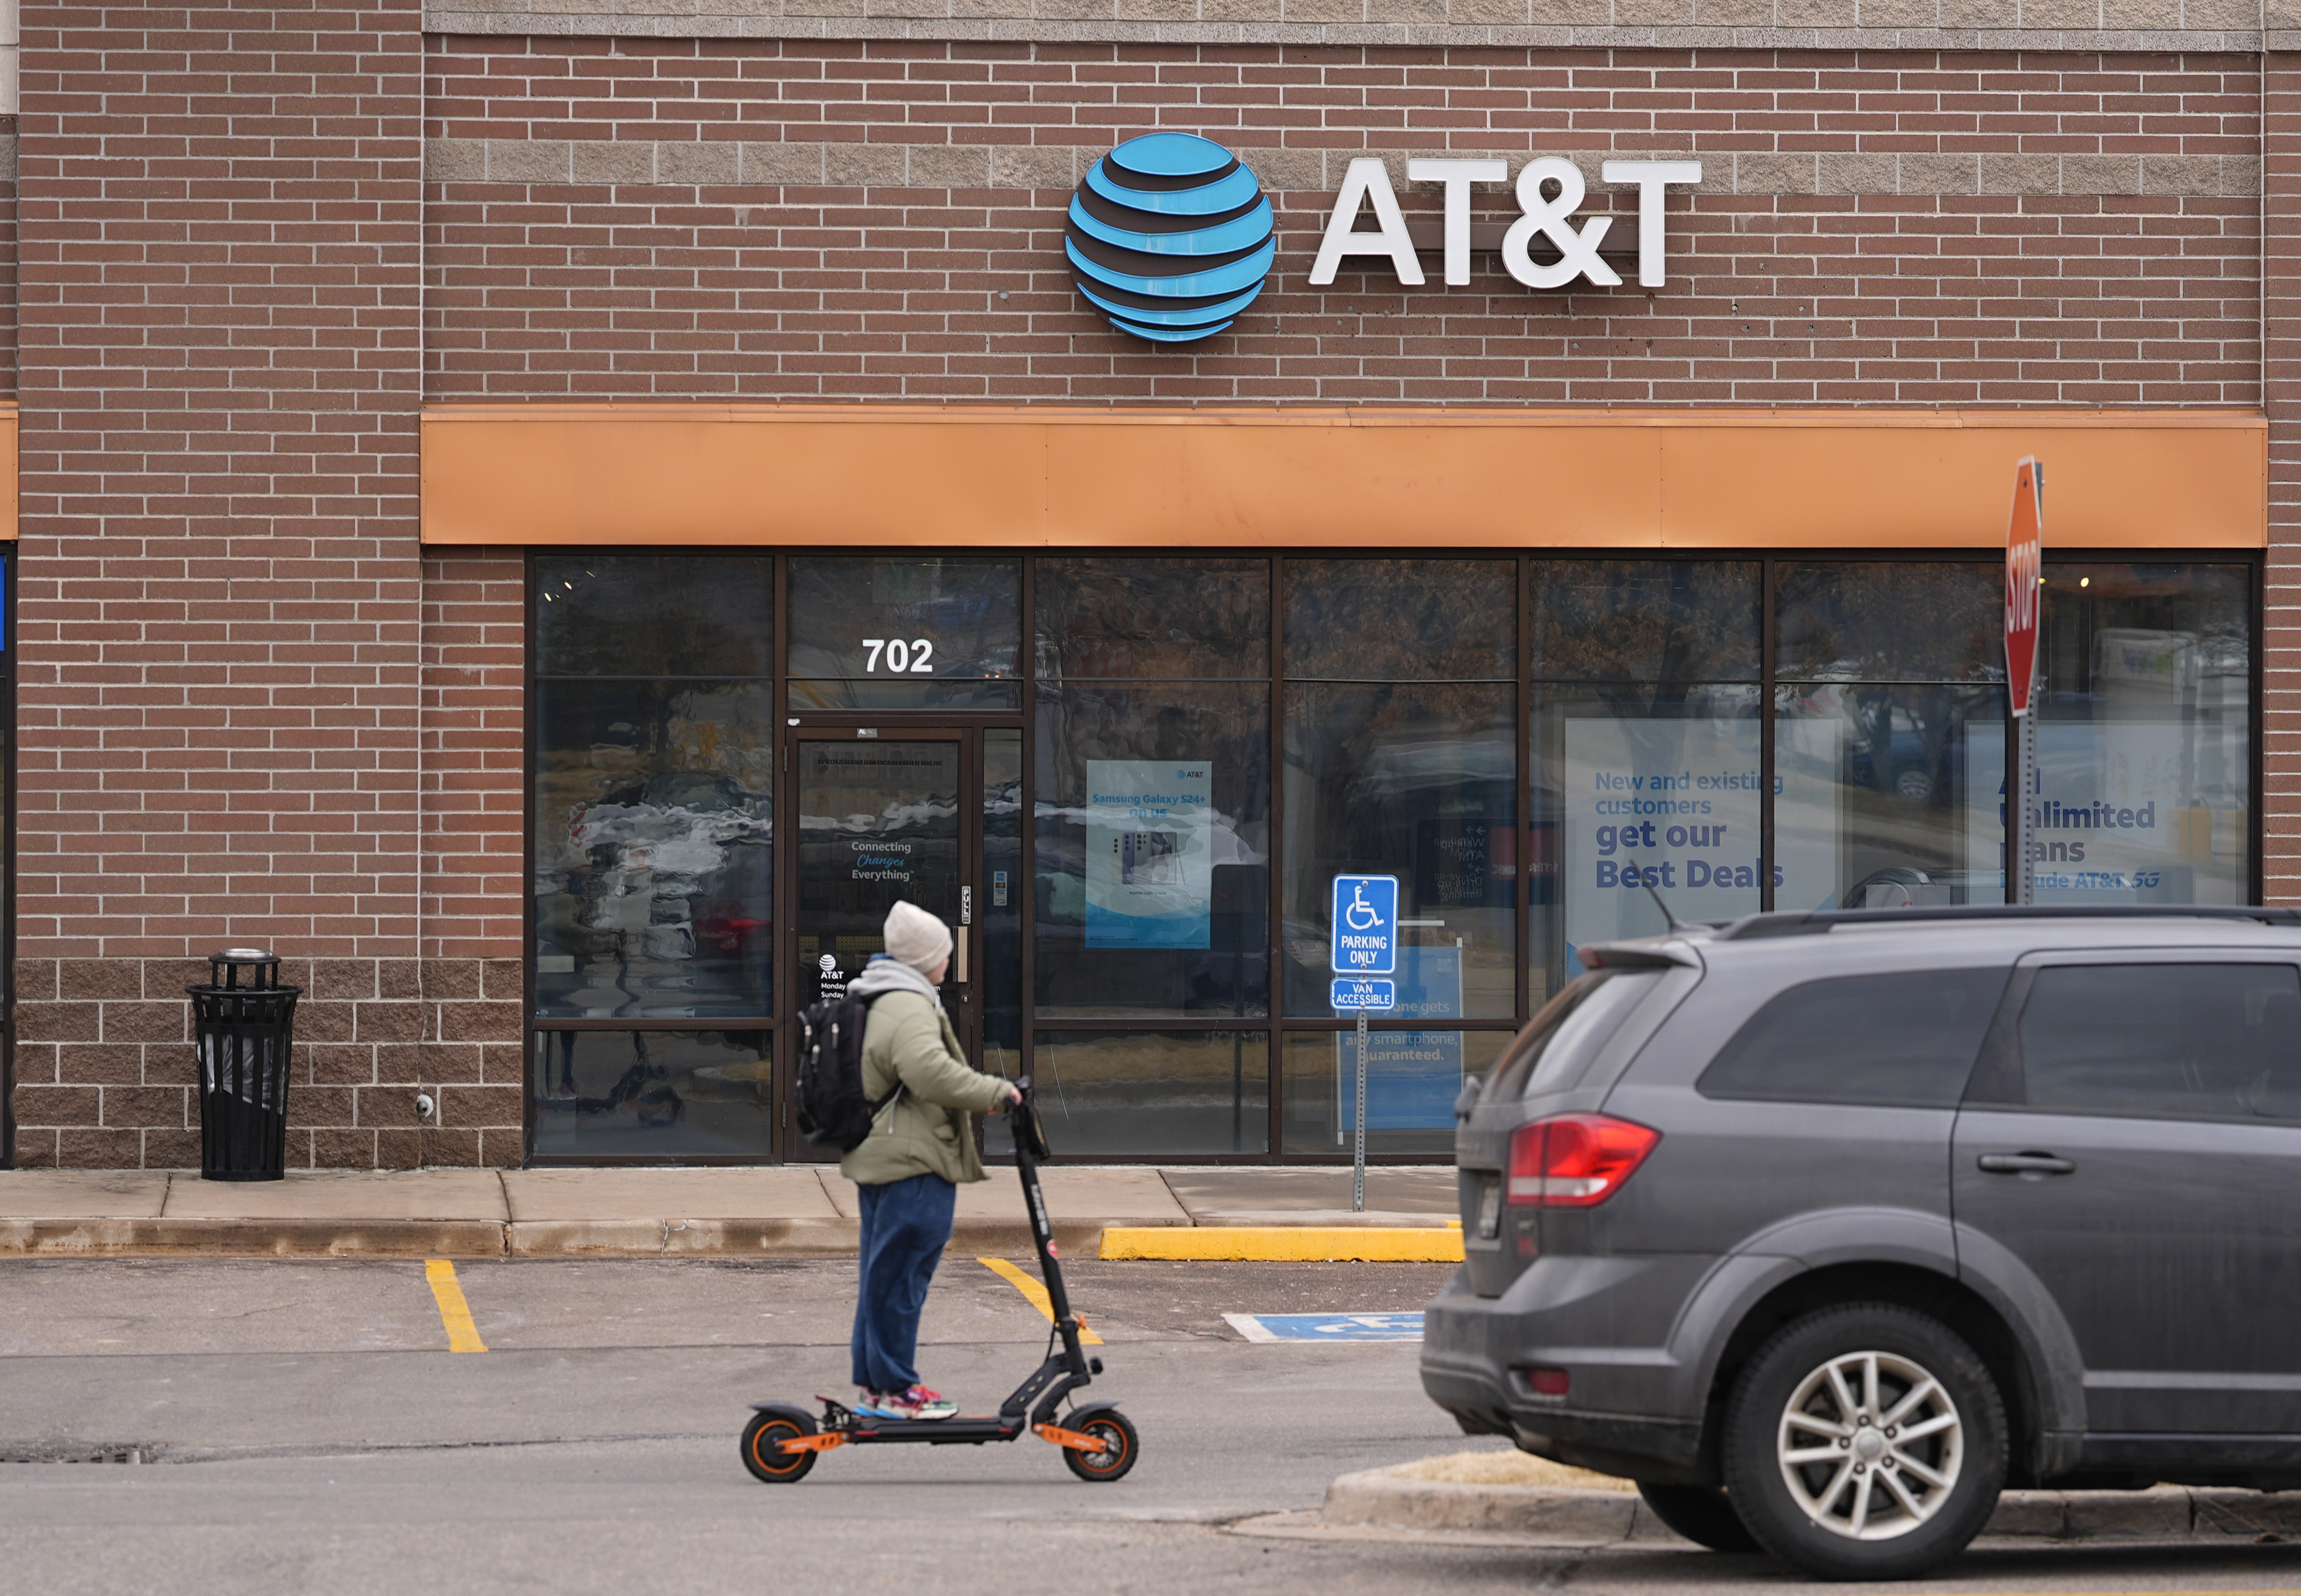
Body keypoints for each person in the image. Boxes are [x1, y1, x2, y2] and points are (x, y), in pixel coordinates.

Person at [842, 900, 1021, 1421]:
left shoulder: (882, 992)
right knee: (901, 1277)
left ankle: (877, 1388)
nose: (950, 961)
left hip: (884, 1154)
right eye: (945, 952)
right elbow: (930, 1072)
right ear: (926, 958)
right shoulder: (907, 1003)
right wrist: (999, 1093)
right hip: (912, 1160)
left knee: (882, 1276)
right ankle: (898, 1390)